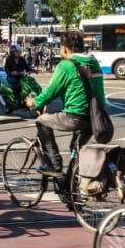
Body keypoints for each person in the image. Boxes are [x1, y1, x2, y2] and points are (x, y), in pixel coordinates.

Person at [25, 31, 105, 176]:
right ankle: (73, 184)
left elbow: (51, 92)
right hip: (95, 118)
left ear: (65, 48)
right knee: (76, 149)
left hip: (75, 116)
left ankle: (54, 164)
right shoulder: (93, 63)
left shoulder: (66, 65)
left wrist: (34, 102)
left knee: (42, 121)